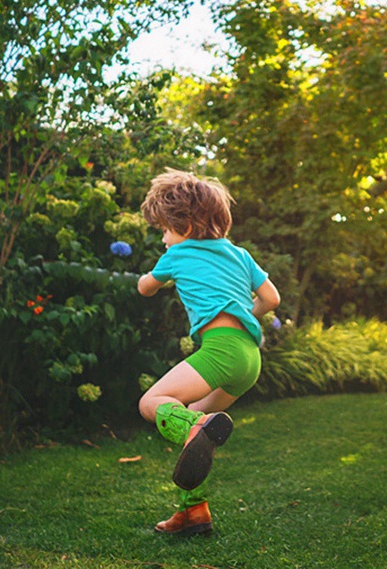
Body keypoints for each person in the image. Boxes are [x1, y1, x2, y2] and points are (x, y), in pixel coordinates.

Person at [137, 168, 281, 536]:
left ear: (182, 225)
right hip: (249, 357)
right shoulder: (239, 254)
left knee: (152, 403)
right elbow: (271, 299)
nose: (164, 239)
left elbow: (145, 288)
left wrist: (149, 276)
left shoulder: (178, 253)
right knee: (191, 426)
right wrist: (244, 315)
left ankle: (196, 427)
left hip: (220, 350)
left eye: (164, 230)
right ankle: (194, 511)